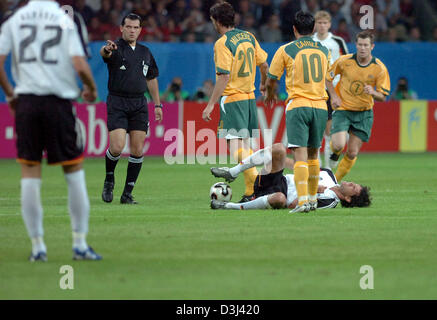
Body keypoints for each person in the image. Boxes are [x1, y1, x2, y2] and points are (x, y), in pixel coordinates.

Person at [0, 0, 101, 261]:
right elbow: (79, 64)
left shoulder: (15, 19)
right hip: (58, 103)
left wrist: (11, 95)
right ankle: (79, 243)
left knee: (30, 174)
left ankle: (37, 247)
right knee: (73, 172)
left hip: (27, 103)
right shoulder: (64, 19)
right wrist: (91, 88)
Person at [202, 1, 269, 203]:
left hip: (232, 99)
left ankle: (258, 185)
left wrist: (211, 104)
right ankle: (250, 192)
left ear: (216, 21)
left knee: (235, 147)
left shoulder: (222, 43)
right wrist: (264, 86)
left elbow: (223, 77)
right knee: (247, 146)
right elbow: (264, 64)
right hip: (249, 99)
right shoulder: (248, 37)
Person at [265, 11, 331, 213]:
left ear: (294, 29)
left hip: (299, 105)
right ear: (313, 29)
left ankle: (302, 202)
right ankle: (312, 200)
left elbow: (272, 78)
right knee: (314, 155)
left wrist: (270, 93)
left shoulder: (286, 50)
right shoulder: (323, 49)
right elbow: (327, 78)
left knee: (300, 155)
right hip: (320, 106)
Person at [100, 13, 163, 205]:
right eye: (129, 27)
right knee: (117, 146)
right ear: (121, 28)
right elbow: (105, 53)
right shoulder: (116, 48)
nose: (132, 30)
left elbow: (151, 78)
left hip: (139, 104)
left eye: (136, 27)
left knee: (137, 150)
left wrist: (157, 104)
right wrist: (106, 49)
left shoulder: (145, 52)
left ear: (140, 30)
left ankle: (127, 194)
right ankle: (109, 179)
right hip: (118, 102)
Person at [210, 143, 371, 210]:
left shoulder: (329, 201)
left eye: (353, 187)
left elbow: (293, 205)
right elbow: (299, 167)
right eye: (354, 183)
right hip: (278, 179)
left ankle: (229, 206)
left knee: (279, 198)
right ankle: (233, 172)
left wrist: (311, 192)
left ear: (348, 199)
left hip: (280, 195)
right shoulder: (328, 174)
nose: (350, 182)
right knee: (279, 148)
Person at [326, 31, 390, 182]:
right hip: (343, 110)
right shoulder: (344, 61)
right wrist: (334, 96)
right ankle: (335, 151)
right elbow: (328, 78)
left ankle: (334, 181)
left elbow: (383, 97)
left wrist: (373, 93)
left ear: (372, 47)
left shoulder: (379, 68)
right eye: (360, 45)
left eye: (366, 45)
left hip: (363, 113)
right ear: (356, 45)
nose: (362, 48)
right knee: (339, 145)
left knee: (353, 153)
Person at [312, 10, 349, 170]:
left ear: (329, 24)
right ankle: (322, 168)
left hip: (334, 90)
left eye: (325, 23)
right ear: (315, 24)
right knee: (317, 130)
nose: (322, 26)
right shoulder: (310, 41)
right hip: (315, 89)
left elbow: (347, 64)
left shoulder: (337, 41)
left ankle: (329, 162)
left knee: (332, 131)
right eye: (319, 23)